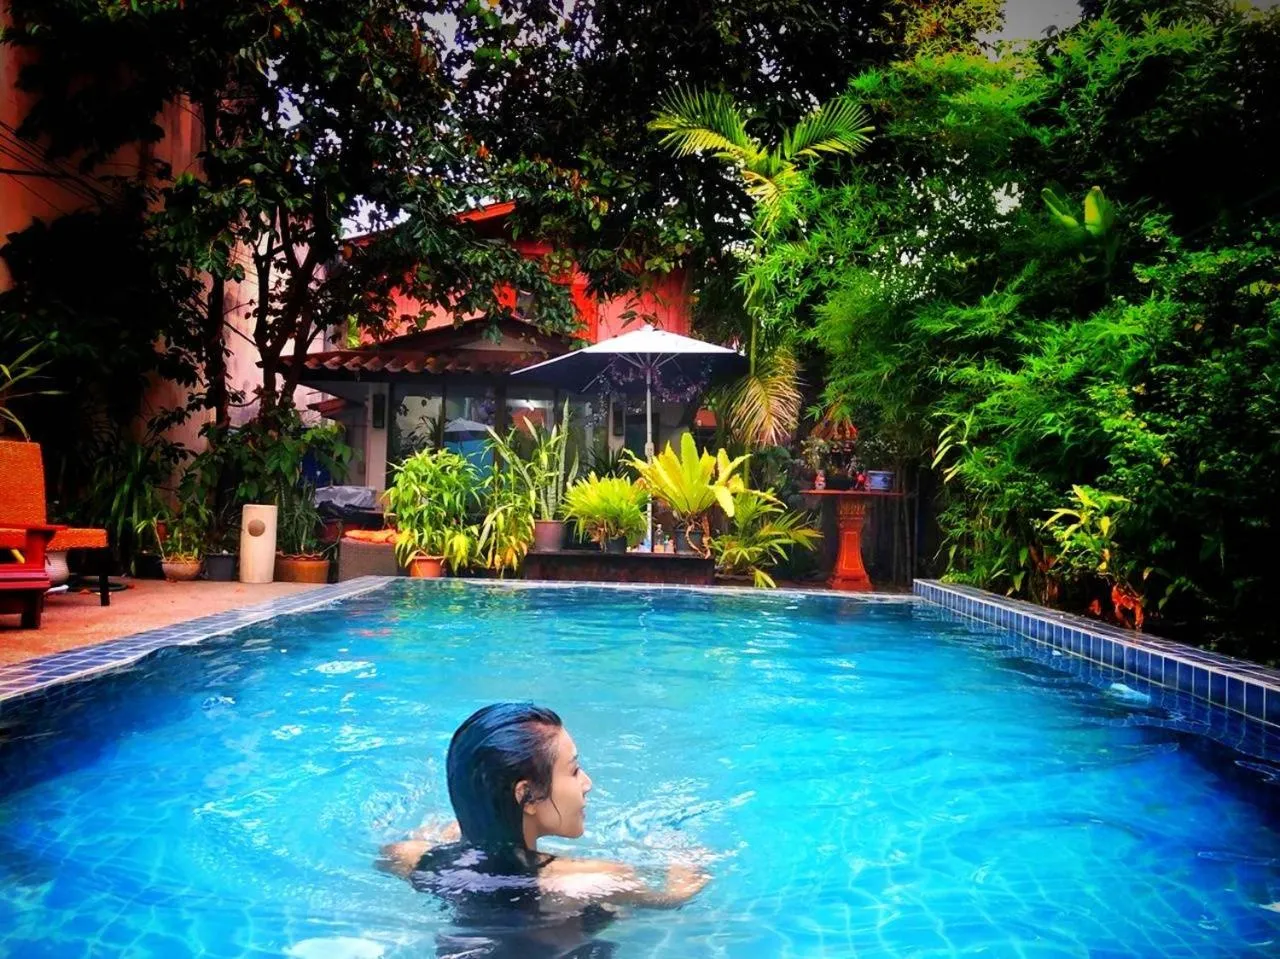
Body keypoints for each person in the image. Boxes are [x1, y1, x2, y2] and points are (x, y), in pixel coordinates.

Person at [378, 703, 709, 957]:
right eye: (575, 770)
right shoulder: (595, 879)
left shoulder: (411, 858)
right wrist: (680, 851)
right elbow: (674, 895)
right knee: (608, 911)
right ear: (527, 795)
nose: (587, 783)